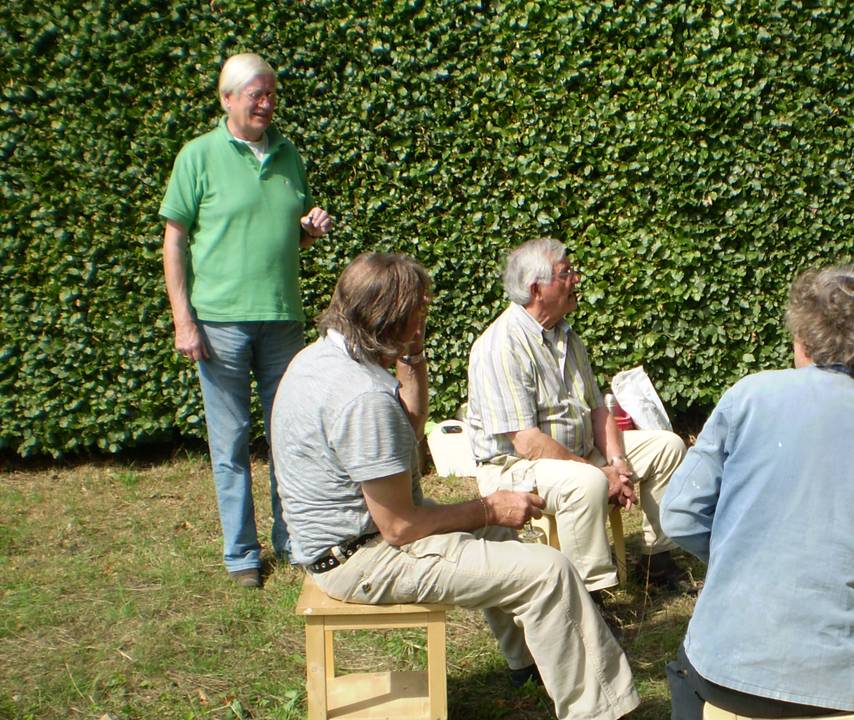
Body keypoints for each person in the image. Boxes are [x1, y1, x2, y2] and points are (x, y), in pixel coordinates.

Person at [272, 253, 639, 720]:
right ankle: (604, 712)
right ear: (390, 317)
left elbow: (406, 425)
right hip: (361, 558)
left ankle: (526, 662)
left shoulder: (320, 358)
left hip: (341, 543)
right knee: (548, 571)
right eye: (418, 313)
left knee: (504, 542)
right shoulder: (359, 396)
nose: (424, 319)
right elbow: (401, 527)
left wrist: (413, 357)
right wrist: (489, 508)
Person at [661, 265, 854, 719]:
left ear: (804, 336)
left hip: (726, 671)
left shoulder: (748, 396)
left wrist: (745, 559)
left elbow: (681, 516)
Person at [159, 52, 333, 587]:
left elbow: (289, 236)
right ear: (227, 99)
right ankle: (242, 556)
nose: (266, 103)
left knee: (291, 436)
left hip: (282, 319)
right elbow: (175, 239)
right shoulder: (199, 156)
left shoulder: (287, 154)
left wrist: (310, 229)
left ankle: (294, 540)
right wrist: (182, 319)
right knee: (230, 443)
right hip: (220, 325)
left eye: (271, 93)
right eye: (256, 94)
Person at [466, 237, 688, 594]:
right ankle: (591, 595)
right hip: (515, 468)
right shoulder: (500, 346)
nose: (576, 279)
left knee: (668, 447)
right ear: (537, 288)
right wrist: (599, 473)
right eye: (566, 273)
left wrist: (617, 463)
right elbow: (527, 442)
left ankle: (657, 559)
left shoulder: (566, 336)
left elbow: (598, 409)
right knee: (587, 483)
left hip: (579, 453)